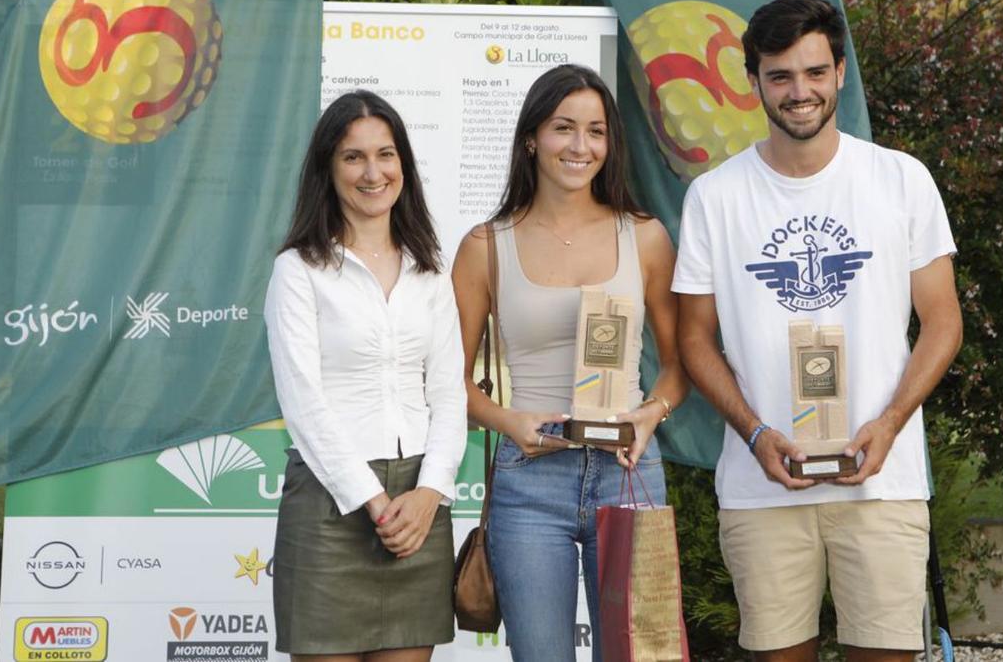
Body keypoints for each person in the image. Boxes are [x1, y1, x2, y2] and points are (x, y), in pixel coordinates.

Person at [674, 0, 963, 662]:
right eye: (779, 75)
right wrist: (755, 432)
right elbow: (694, 339)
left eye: (813, 73)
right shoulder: (713, 198)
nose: (798, 92)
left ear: (839, 72)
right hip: (763, 483)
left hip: (880, 480)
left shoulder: (901, 180)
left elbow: (942, 322)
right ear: (754, 83)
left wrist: (890, 421)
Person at [451, 64, 688, 662]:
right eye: (563, 128)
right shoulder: (486, 246)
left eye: (597, 131)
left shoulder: (647, 237)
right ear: (532, 137)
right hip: (530, 478)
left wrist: (650, 414)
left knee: (640, 654)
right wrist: (508, 422)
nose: (581, 146)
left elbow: (681, 365)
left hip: (629, 471)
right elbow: (446, 384)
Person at [264, 90, 466, 662]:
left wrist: (430, 493)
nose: (373, 172)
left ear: (403, 164)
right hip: (331, 504)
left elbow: (449, 395)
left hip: (420, 509)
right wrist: (374, 501)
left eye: (386, 154)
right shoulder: (298, 271)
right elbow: (303, 401)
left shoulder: (429, 270)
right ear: (328, 169)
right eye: (353, 157)